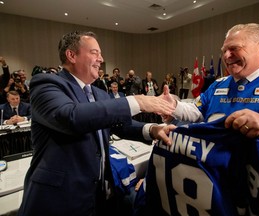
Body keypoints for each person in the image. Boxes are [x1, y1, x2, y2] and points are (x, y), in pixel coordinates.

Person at [17, 30, 175, 216]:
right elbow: (71, 117)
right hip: (57, 199)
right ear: (71, 55)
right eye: (95, 53)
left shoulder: (99, 93)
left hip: (94, 196)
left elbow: (119, 125)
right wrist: (137, 101)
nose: (101, 59)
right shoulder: (47, 84)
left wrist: (153, 129)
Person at [158, 23, 259, 215]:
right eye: (224, 50)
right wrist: (173, 106)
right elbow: (197, 110)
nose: (226, 56)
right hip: (218, 193)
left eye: (234, 49)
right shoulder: (218, 84)